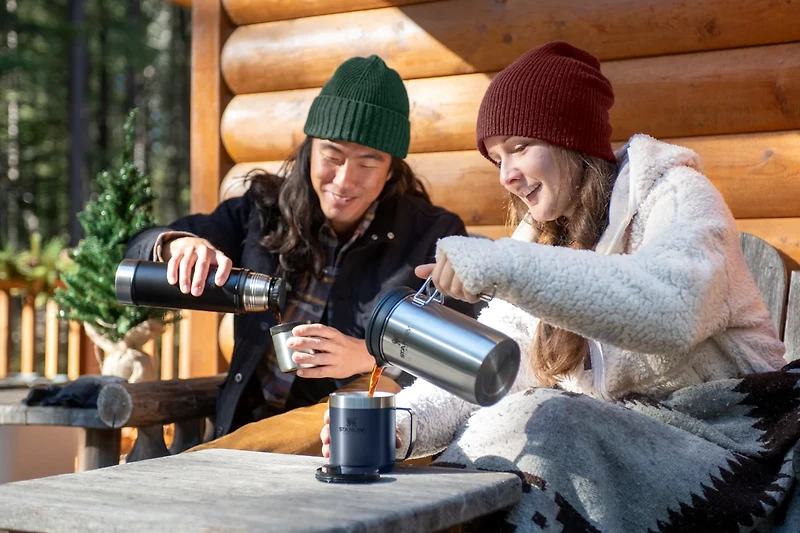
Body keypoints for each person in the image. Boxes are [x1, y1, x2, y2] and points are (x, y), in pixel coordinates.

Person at [322, 42, 800, 531]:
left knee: (547, 421)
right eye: (496, 158)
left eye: (520, 147)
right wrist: (400, 424)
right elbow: (494, 369)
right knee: (521, 424)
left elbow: (671, 309)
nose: (507, 175)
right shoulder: (542, 239)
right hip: (621, 459)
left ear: (571, 139)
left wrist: (503, 264)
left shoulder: (675, 196)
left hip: (742, 450)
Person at [125, 54, 477, 454]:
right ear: (310, 149)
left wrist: (367, 354)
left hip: (353, 435)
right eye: (332, 156)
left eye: (368, 162)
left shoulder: (432, 233)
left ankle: (190, 472)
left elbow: (459, 351)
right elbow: (142, 245)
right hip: (249, 425)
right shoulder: (264, 208)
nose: (344, 180)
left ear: (392, 169)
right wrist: (178, 244)